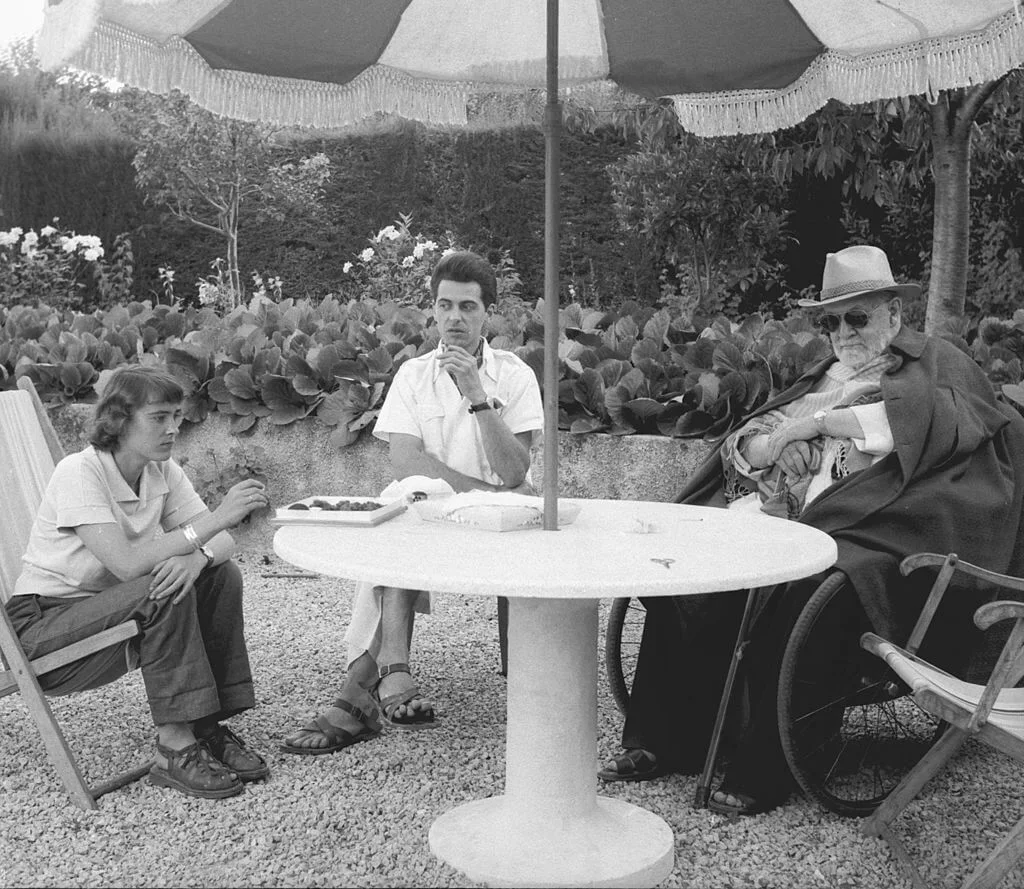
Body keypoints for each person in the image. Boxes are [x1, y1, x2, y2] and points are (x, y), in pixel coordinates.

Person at [599, 245, 1024, 815]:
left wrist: (817, 426)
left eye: (858, 316)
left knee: (804, 590)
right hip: (786, 514)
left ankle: (766, 769)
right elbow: (742, 445)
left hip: (881, 528)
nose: (843, 331)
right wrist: (778, 445)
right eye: (831, 320)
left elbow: (925, 427)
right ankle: (666, 739)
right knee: (692, 575)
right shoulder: (820, 374)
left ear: (894, 316)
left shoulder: (936, 361)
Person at [282, 250, 543, 754]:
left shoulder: (513, 376)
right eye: (445, 305)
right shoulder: (412, 375)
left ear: (488, 312)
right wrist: (480, 493)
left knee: (408, 506)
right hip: (432, 515)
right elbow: (406, 461)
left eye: (468, 307)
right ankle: (386, 670)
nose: (454, 319)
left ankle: (367, 687)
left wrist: (475, 392)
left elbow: (516, 471)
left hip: (501, 527)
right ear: (433, 308)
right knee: (405, 501)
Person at [5, 364, 272, 800]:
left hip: (108, 607)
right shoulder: (80, 472)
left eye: (175, 416)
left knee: (218, 576)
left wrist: (197, 559)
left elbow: (220, 543)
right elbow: (128, 563)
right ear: (118, 420)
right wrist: (214, 522)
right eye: (158, 417)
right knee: (158, 588)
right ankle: (175, 745)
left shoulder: (158, 471)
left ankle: (204, 725)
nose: (172, 429)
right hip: (42, 628)